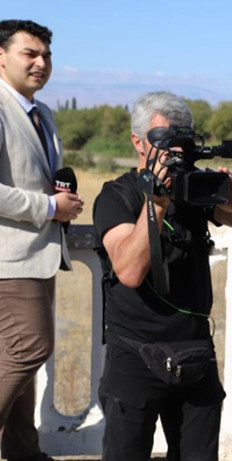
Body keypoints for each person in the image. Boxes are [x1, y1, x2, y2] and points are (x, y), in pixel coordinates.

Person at [92, 91, 232, 461]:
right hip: (135, 354)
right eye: (165, 142)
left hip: (194, 352)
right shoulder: (116, 196)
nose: (176, 153)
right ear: (138, 142)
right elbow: (129, 271)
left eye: (182, 142)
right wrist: (156, 202)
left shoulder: (194, 190)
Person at [0, 19, 83, 461]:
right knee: (30, 348)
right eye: (29, 53)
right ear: (1, 56)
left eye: (46, 55)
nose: (40, 62)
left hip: (41, 257)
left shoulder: (42, 113)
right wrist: (50, 208)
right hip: (8, 260)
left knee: (18, 365)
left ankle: (23, 453)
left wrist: (62, 200)